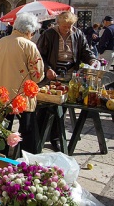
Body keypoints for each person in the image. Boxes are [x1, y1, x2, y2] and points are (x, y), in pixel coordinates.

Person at [36, 11, 97, 151]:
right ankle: (39, 136)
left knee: (61, 109)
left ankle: (56, 138)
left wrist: (92, 60)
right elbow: (39, 55)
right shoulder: (49, 34)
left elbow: (85, 51)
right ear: (58, 23)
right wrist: (47, 69)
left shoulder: (78, 34)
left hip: (69, 74)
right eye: (64, 26)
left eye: (70, 26)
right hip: (52, 73)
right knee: (46, 106)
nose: (67, 29)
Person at [0, 12, 45, 154]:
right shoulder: (29, 45)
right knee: (26, 129)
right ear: (28, 31)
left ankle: (1, 155)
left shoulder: (1, 41)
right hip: (20, 96)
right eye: (33, 32)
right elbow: (37, 75)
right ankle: (24, 159)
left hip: (1, 94)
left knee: (3, 128)